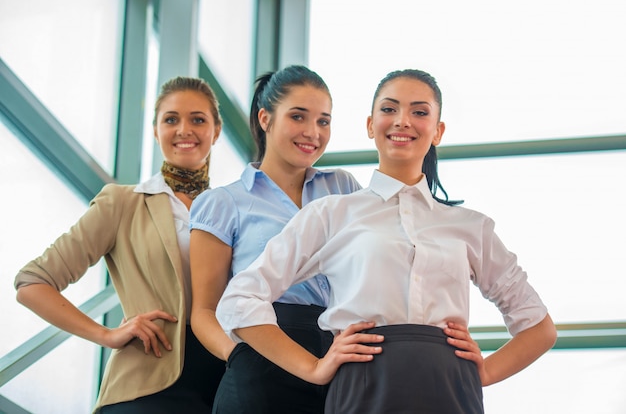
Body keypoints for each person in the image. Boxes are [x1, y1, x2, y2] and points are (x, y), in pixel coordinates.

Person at [215, 69, 558, 414]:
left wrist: (485, 371)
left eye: (420, 112)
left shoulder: (470, 227)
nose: (403, 121)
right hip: (363, 387)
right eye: (390, 109)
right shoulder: (332, 214)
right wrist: (313, 368)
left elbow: (539, 328)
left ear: (438, 131)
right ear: (369, 125)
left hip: (453, 388)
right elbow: (240, 299)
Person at [14, 76, 226, 413]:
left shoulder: (233, 209)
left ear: (216, 131)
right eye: (171, 119)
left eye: (198, 119)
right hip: (145, 382)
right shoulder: (123, 203)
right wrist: (105, 334)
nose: (184, 129)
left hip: (224, 385)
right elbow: (31, 283)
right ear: (156, 131)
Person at [188, 64, 378, 414]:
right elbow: (203, 311)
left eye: (323, 121)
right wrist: (242, 355)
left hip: (339, 358)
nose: (312, 132)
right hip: (263, 354)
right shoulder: (222, 203)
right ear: (265, 118)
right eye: (298, 116)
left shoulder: (343, 188)